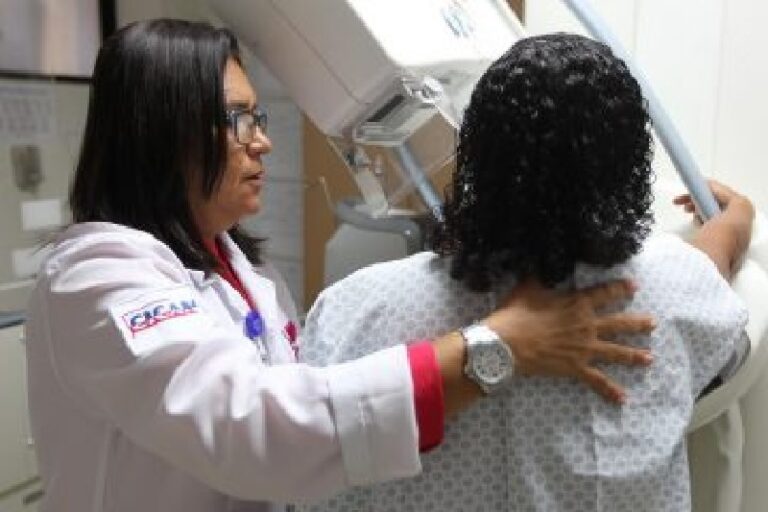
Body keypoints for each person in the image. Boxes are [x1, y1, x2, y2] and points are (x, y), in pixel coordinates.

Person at [24, 21, 656, 512]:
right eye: (239, 120)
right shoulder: (97, 277)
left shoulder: (249, 277)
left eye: (258, 118)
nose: (262, 141)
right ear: (162, 130)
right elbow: (255, 429)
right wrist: (496, 347)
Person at [298, 34, 754, 512]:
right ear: (629, 166)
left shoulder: (357, 307)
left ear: (476, 153)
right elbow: (715, 255)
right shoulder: (672, 288)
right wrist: (738, 215)